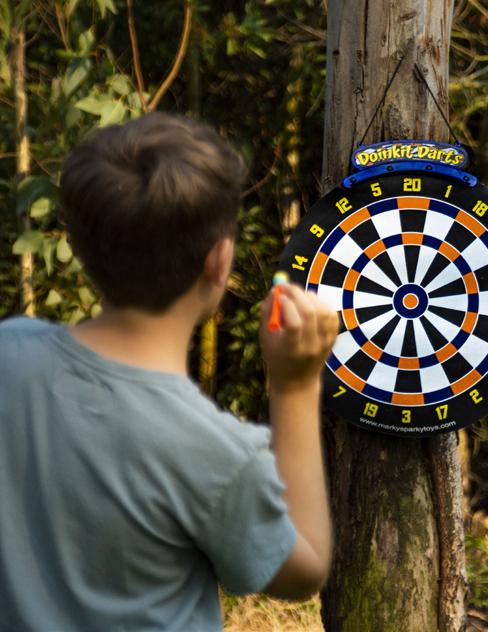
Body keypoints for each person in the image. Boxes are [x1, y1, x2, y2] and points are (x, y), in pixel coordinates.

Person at [0, 113, 338, 631]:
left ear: (78, 246)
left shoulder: (10, 352)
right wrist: (296, 384)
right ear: (219, 261)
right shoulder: (217, 455)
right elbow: (303, 570)